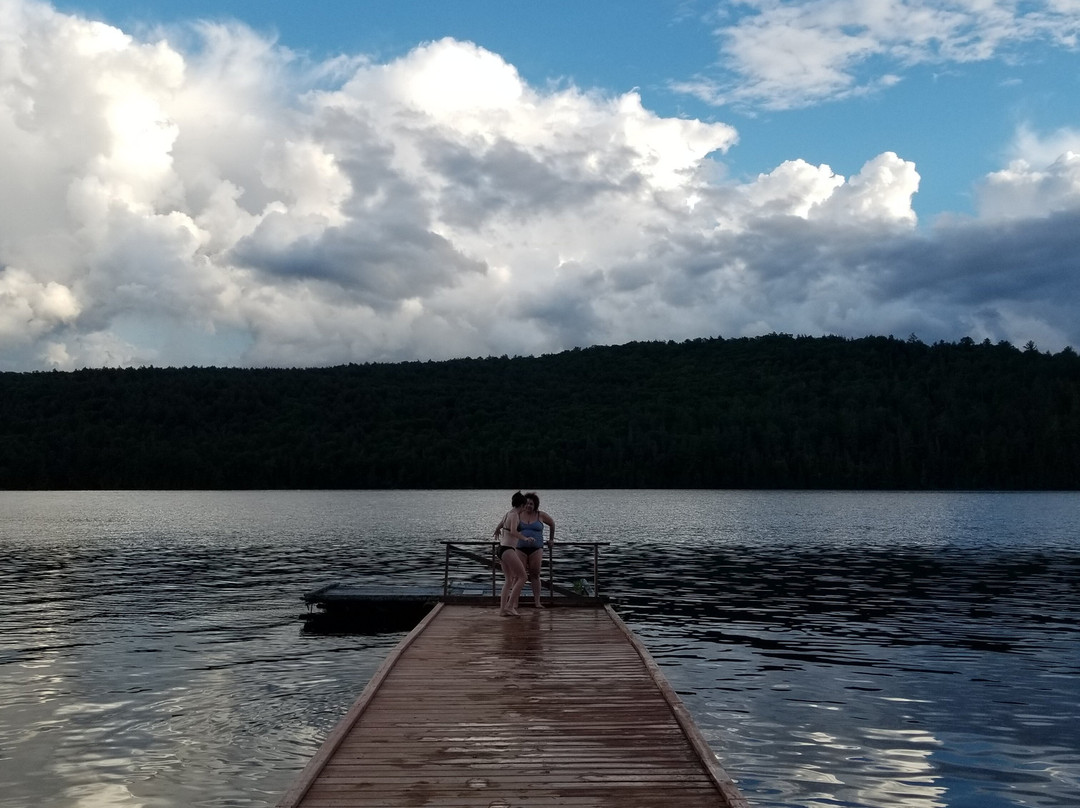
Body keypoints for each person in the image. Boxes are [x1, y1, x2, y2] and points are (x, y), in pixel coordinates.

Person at [516, 491, 555, 608]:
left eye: (531, 504)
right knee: (519, 575)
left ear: (535, 505)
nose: (529, 506)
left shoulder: (540, 515)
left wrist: (551, 539)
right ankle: (515, 602)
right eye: (527, 503)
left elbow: (552, 524)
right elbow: (507, 525)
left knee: (535, 574)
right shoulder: (518, 514)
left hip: (536, 548)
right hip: (520, 548)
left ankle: (537, 602)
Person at [493, 492, 528, 617]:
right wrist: (525, 538)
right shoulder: (515, 515)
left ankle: (503, 610)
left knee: (509, 580)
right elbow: (513, 531)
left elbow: (501, 524)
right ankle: (510, 605)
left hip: (501, 548)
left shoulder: (508, 513)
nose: (525, 508)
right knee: (523, 577)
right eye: (525, 505)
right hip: (508, 549)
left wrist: (497, 531)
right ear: (522, 505)